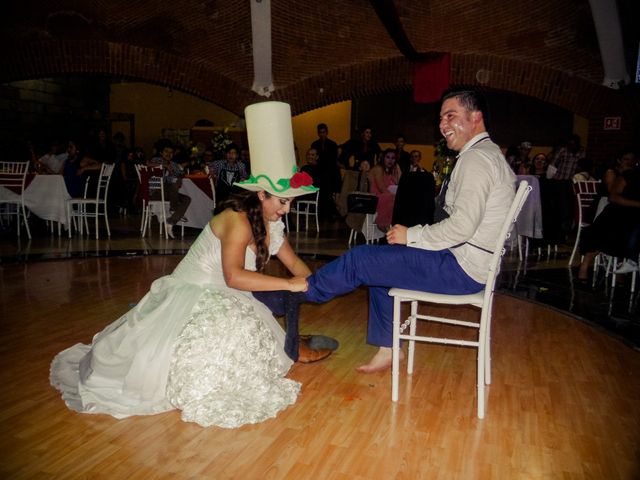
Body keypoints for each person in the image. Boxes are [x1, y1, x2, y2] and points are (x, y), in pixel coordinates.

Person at [50, 101, 330, 429]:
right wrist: (288, 284)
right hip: (194, 291)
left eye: (291, 203)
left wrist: (315, 285)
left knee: (251, 335)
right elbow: (234, 276)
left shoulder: (273, 224)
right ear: (261, 196)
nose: (286, 209)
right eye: (282, 202)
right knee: (221, 338)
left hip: (229, 294)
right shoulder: (237, 220)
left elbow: (295, 263)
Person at [304, 88, 516, 373]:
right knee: (380, 262)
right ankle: (389, 349)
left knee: (361, 259)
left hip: (461, 269)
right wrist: (410, 237)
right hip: (472, 264)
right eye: (441, 117)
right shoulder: (489, 154)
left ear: (475, 117)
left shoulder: (476, 160)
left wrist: (412, 235)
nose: (442, 124)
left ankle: (297, 293)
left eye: (450, 116)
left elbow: (463, 227)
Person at [148, 139, 191, 238]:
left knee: (187, 199)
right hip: (155, 191)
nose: (169, 154)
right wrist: (164, 165)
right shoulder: (156, 160)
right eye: (166, 152)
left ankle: (171, 221)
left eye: (171, 152)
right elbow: (148, 164)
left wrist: (180, 177)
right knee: (172, 185)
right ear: (161, 153)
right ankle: (174, 208)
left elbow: (181, 173)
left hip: (168, 192)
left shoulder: (173, 164)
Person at [368, 148, 401, 230]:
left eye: (393, 158)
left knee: (402, 198)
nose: (390, 160)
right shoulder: (378, 168)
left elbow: (399, 183)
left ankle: (399, 225)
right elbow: (381, 188)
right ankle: (385, 225)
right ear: (383, 158)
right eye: (388, 157)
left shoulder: (389, 170)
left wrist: (397, 168)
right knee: (394, 198)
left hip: (384, 195)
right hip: (375, 196)